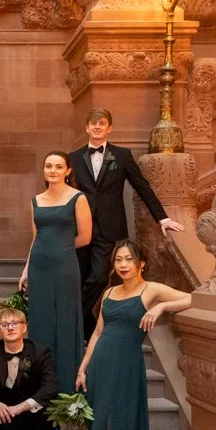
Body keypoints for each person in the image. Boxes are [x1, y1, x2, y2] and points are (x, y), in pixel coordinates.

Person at [63, 240, 191, 430]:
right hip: (101, 367)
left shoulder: (152, 290)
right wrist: (82, 369)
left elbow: (194, 297)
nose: (122, 265)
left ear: (141, 263)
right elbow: (97, 334)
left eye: (128, 259)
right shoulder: (109, 292)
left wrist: (162, 309)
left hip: (127, 369)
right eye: (118, 259)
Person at [66, 108, 185, 335]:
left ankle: (71, 323)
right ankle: (86, 329)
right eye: (93, 124)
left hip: (109, 229)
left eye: (102, 123)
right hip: (79, 228)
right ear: (86, 128)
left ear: (109, 128)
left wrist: (163, 217)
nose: (97, 127)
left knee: (99, 278)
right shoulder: (72, 158)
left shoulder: (121, 156)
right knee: (81, 280)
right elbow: (63, 191)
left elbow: (142, 186)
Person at [19, 150, 92, 396]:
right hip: (39, 267)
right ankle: (42, 387)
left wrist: (59, 246)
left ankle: (68, 387)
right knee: (40, 322)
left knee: (65, 322)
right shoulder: (36, 200)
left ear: (68, 171)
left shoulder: (78, 198)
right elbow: (35, 238)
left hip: (65, 267)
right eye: (48, 166)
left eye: (58, 166)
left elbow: (85, 237)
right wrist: (26, 270)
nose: (52, 171)